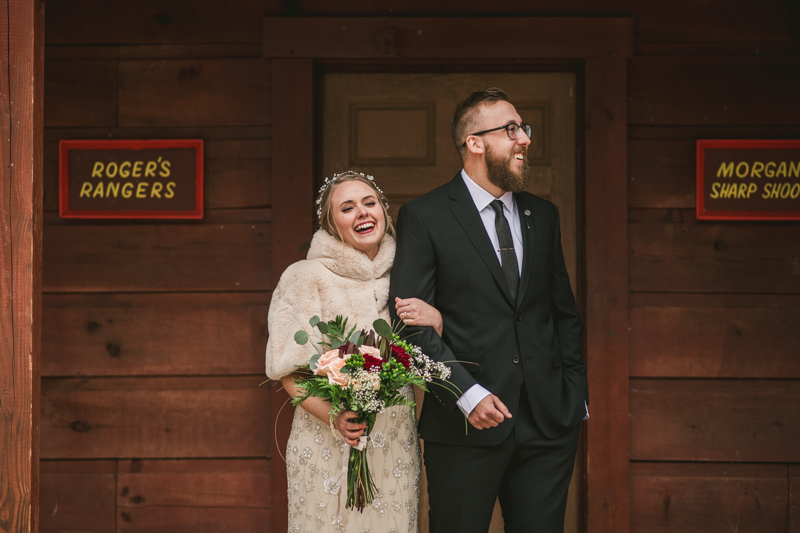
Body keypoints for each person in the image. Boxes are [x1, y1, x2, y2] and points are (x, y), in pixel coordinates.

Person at [389, 88, 589, 533]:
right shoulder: (425, 216)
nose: (525, 140)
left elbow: (563, 313)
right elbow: (408, 323)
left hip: (547, 424)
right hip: (464, 425)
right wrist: (466, 393)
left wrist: (574, 394)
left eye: (524, 129)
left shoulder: (544, 215)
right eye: (512, 129)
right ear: (475, 142)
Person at [265, 170, 441, 533]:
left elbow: (430, 356)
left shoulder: (408, 275)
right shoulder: (305, 277)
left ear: (384, 212)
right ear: (331, 226)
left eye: (369, 202)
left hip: (394, 442)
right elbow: (290, 373)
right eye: (347, 208)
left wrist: (437, 320)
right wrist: (335, 416)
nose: (362, 212)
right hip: (327, 442)